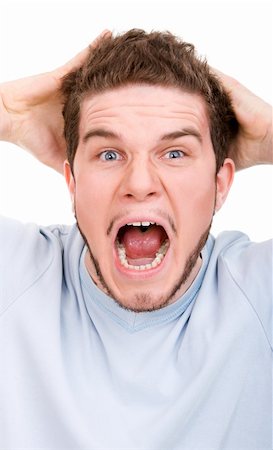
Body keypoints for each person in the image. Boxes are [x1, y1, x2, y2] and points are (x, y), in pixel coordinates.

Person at [0, 29, 272, 449]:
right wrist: (8, 112)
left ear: (221, 184)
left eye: (175, 153)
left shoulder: (259, 295)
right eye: (109, 154)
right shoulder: (15, 277)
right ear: (72, 181)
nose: (140, 183)